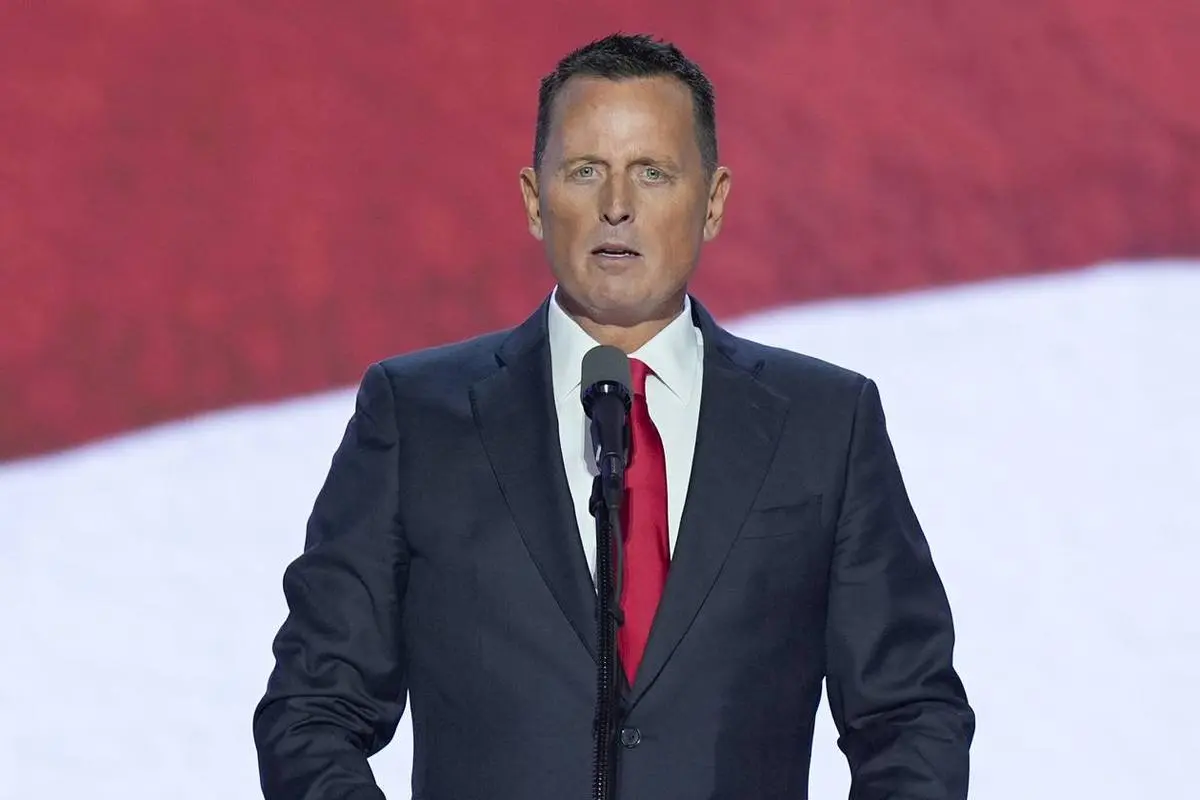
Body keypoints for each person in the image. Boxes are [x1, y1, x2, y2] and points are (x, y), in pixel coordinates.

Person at [253, 33, 975, 799]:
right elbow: (312, 713)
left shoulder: (824, 423)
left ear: (713, 201)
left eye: (653, 172)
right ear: (535, 200)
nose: (617, 207)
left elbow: (909, 716)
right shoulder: (418, 418)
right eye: (585, 171)